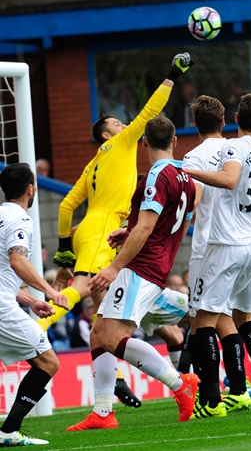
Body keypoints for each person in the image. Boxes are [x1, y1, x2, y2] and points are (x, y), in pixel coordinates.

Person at [40, 52, 194, 407]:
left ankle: (107, 402)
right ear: (107, 134)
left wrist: (65, 245)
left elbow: (66, 206)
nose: (125, 125)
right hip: (107, 231)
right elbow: (150, 112)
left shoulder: (93, 163)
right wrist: (171, 75)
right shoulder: (124, 144)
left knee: (105, 325)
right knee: (87, 296)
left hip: (92, 229)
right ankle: (39, 330)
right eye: (116, 123)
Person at [66, 115, 198, 431]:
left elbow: (150, 225)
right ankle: (102, 412)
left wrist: (114, 267)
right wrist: (130, 231)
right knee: (99, 332)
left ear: (144, 143)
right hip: (155, 263)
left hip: (141, 267)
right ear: (175, 141)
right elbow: (179, 224)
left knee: (112, 337)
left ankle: (181, 384)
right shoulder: (187, 179)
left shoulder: (155, 176)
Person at [184, 93, 251, 415]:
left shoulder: (234, 147)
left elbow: (230, 180)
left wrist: (189, 173)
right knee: (245, 318)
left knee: (204, 320)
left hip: (225, 245)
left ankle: (214, 401)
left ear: (235, 120)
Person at [181, 93, 251, 418]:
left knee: (201, 323)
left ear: (194, 124)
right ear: (223, 121)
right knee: (225, 318)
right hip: (242, 243)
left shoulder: (192, 158)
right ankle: (239, 390)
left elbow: (192, 203)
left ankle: (210, 398)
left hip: (209, 248)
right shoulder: (235, 151)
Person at [0, 163, 69, 446]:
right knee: (47, 362)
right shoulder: (20, 220)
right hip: (2, 309)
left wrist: (30, 299)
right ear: (31, 189)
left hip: (7, 302)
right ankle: (9, 432)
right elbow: (17, 260)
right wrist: (49, 291)